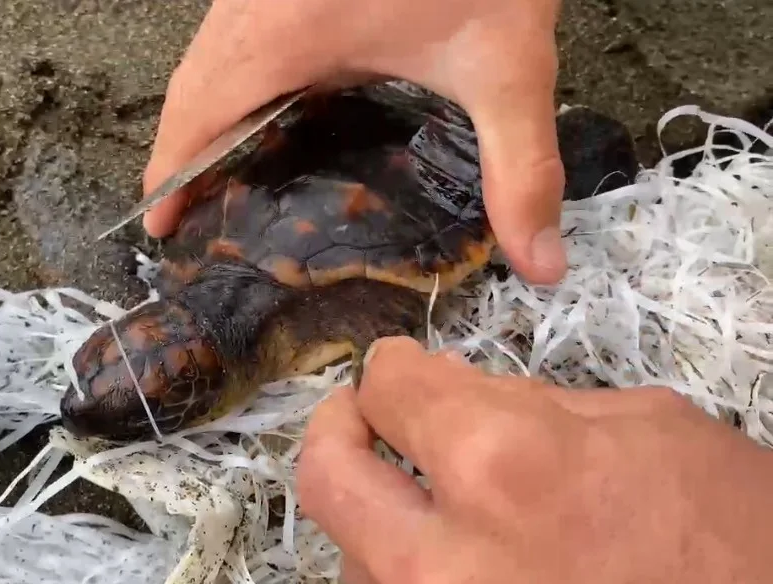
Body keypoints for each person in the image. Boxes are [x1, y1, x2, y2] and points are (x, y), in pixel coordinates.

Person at [140, 1, 773, 582]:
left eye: (167, 408)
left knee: (594, 156)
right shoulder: (186, 266)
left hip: (407, 153)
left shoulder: (330, 297)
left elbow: (395, 345)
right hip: (339, 131)